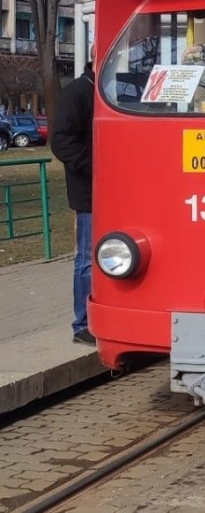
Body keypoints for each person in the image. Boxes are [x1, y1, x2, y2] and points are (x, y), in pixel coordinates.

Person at [52, 47, 96, 345]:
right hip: (89, 192)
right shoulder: (79, 93)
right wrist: (95, 168)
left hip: (114, 189)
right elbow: (61, 141)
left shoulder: (111, 91)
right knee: (87, 257)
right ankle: (82, 323)